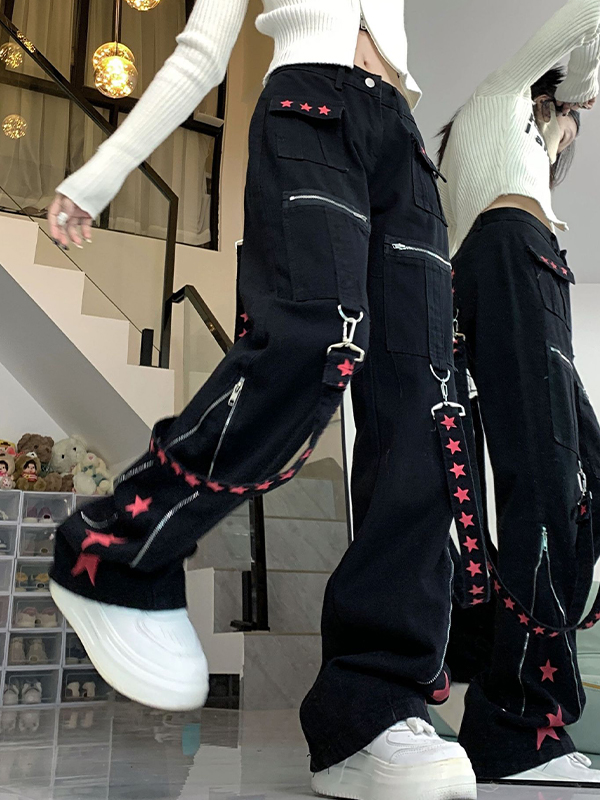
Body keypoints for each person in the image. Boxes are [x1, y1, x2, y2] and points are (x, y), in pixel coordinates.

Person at [48, 3, 478, 798]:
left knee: (426, 404)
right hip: (309, 107)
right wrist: (100, 175)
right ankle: (114, 551)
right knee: (316, 339)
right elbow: (201, 51)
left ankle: (374, 711)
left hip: (404, 141)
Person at [439, 0, 600, 785]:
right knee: (544, 488)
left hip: (522, 271)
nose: (573, 134)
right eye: (568, 121)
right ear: (548, 104)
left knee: (571, 483)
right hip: (513, 262)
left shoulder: (515, 173)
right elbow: (584, 19)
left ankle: (513, 699)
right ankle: (517, 728)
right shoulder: (500, 98)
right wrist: (578, 89)